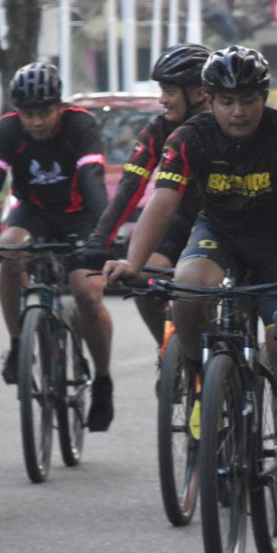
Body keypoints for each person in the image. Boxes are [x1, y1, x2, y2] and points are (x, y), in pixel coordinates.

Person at [103, 45, 277, 538]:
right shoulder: (189, 137)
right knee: (188, 291)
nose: (236, 112)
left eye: (247, 99)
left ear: (264, 97)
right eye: (225, 101)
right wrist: (132, 263)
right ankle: (206, 383)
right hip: (218, 232)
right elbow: (162, 201)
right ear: (211, 99)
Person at [0, 62, 116, 432]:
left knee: (87, 294)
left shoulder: (81, 125)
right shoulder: (7, 131)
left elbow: (93, 182)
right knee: (9, 250)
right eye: (28, 114)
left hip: (79, 213)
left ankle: (104, 381)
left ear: (59, 107)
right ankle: (17, 342)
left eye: (45, 112)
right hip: (34, 211)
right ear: (18, 112)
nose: (37, 122)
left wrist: (104, 236)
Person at [78, 42, 210, 347]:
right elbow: (129, 188)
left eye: (169, 91)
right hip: (180, 221)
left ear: (200, 92)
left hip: (229, 224)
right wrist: (100, 239)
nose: (162, 99)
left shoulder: (228, 126)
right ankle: (169, 354)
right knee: (143, 282)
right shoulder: (158, 129)